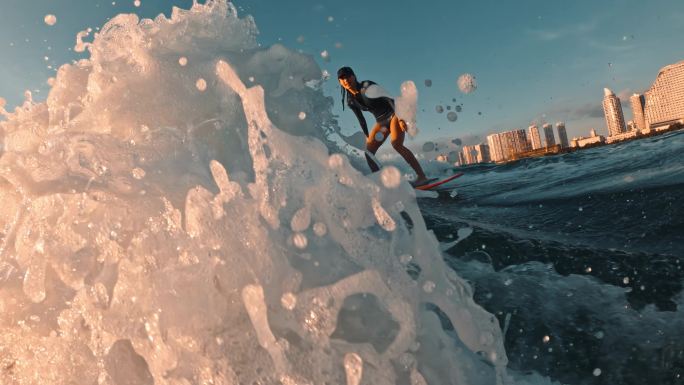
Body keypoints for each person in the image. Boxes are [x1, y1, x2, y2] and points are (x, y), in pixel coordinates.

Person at [337, 66, 430, 187]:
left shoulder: (367, 86)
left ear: (354, 76)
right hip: (381, 123)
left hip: (394, 114)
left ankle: (422, 177)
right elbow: (361, 120)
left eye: (348, 76)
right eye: (342, 78)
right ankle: (381, 184)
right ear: (340, 82)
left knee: (396, 144)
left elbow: (389, 99)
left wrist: (401, 117)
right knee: (368, 153)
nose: (346, 80)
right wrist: (366, 135)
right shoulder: (350, 101)